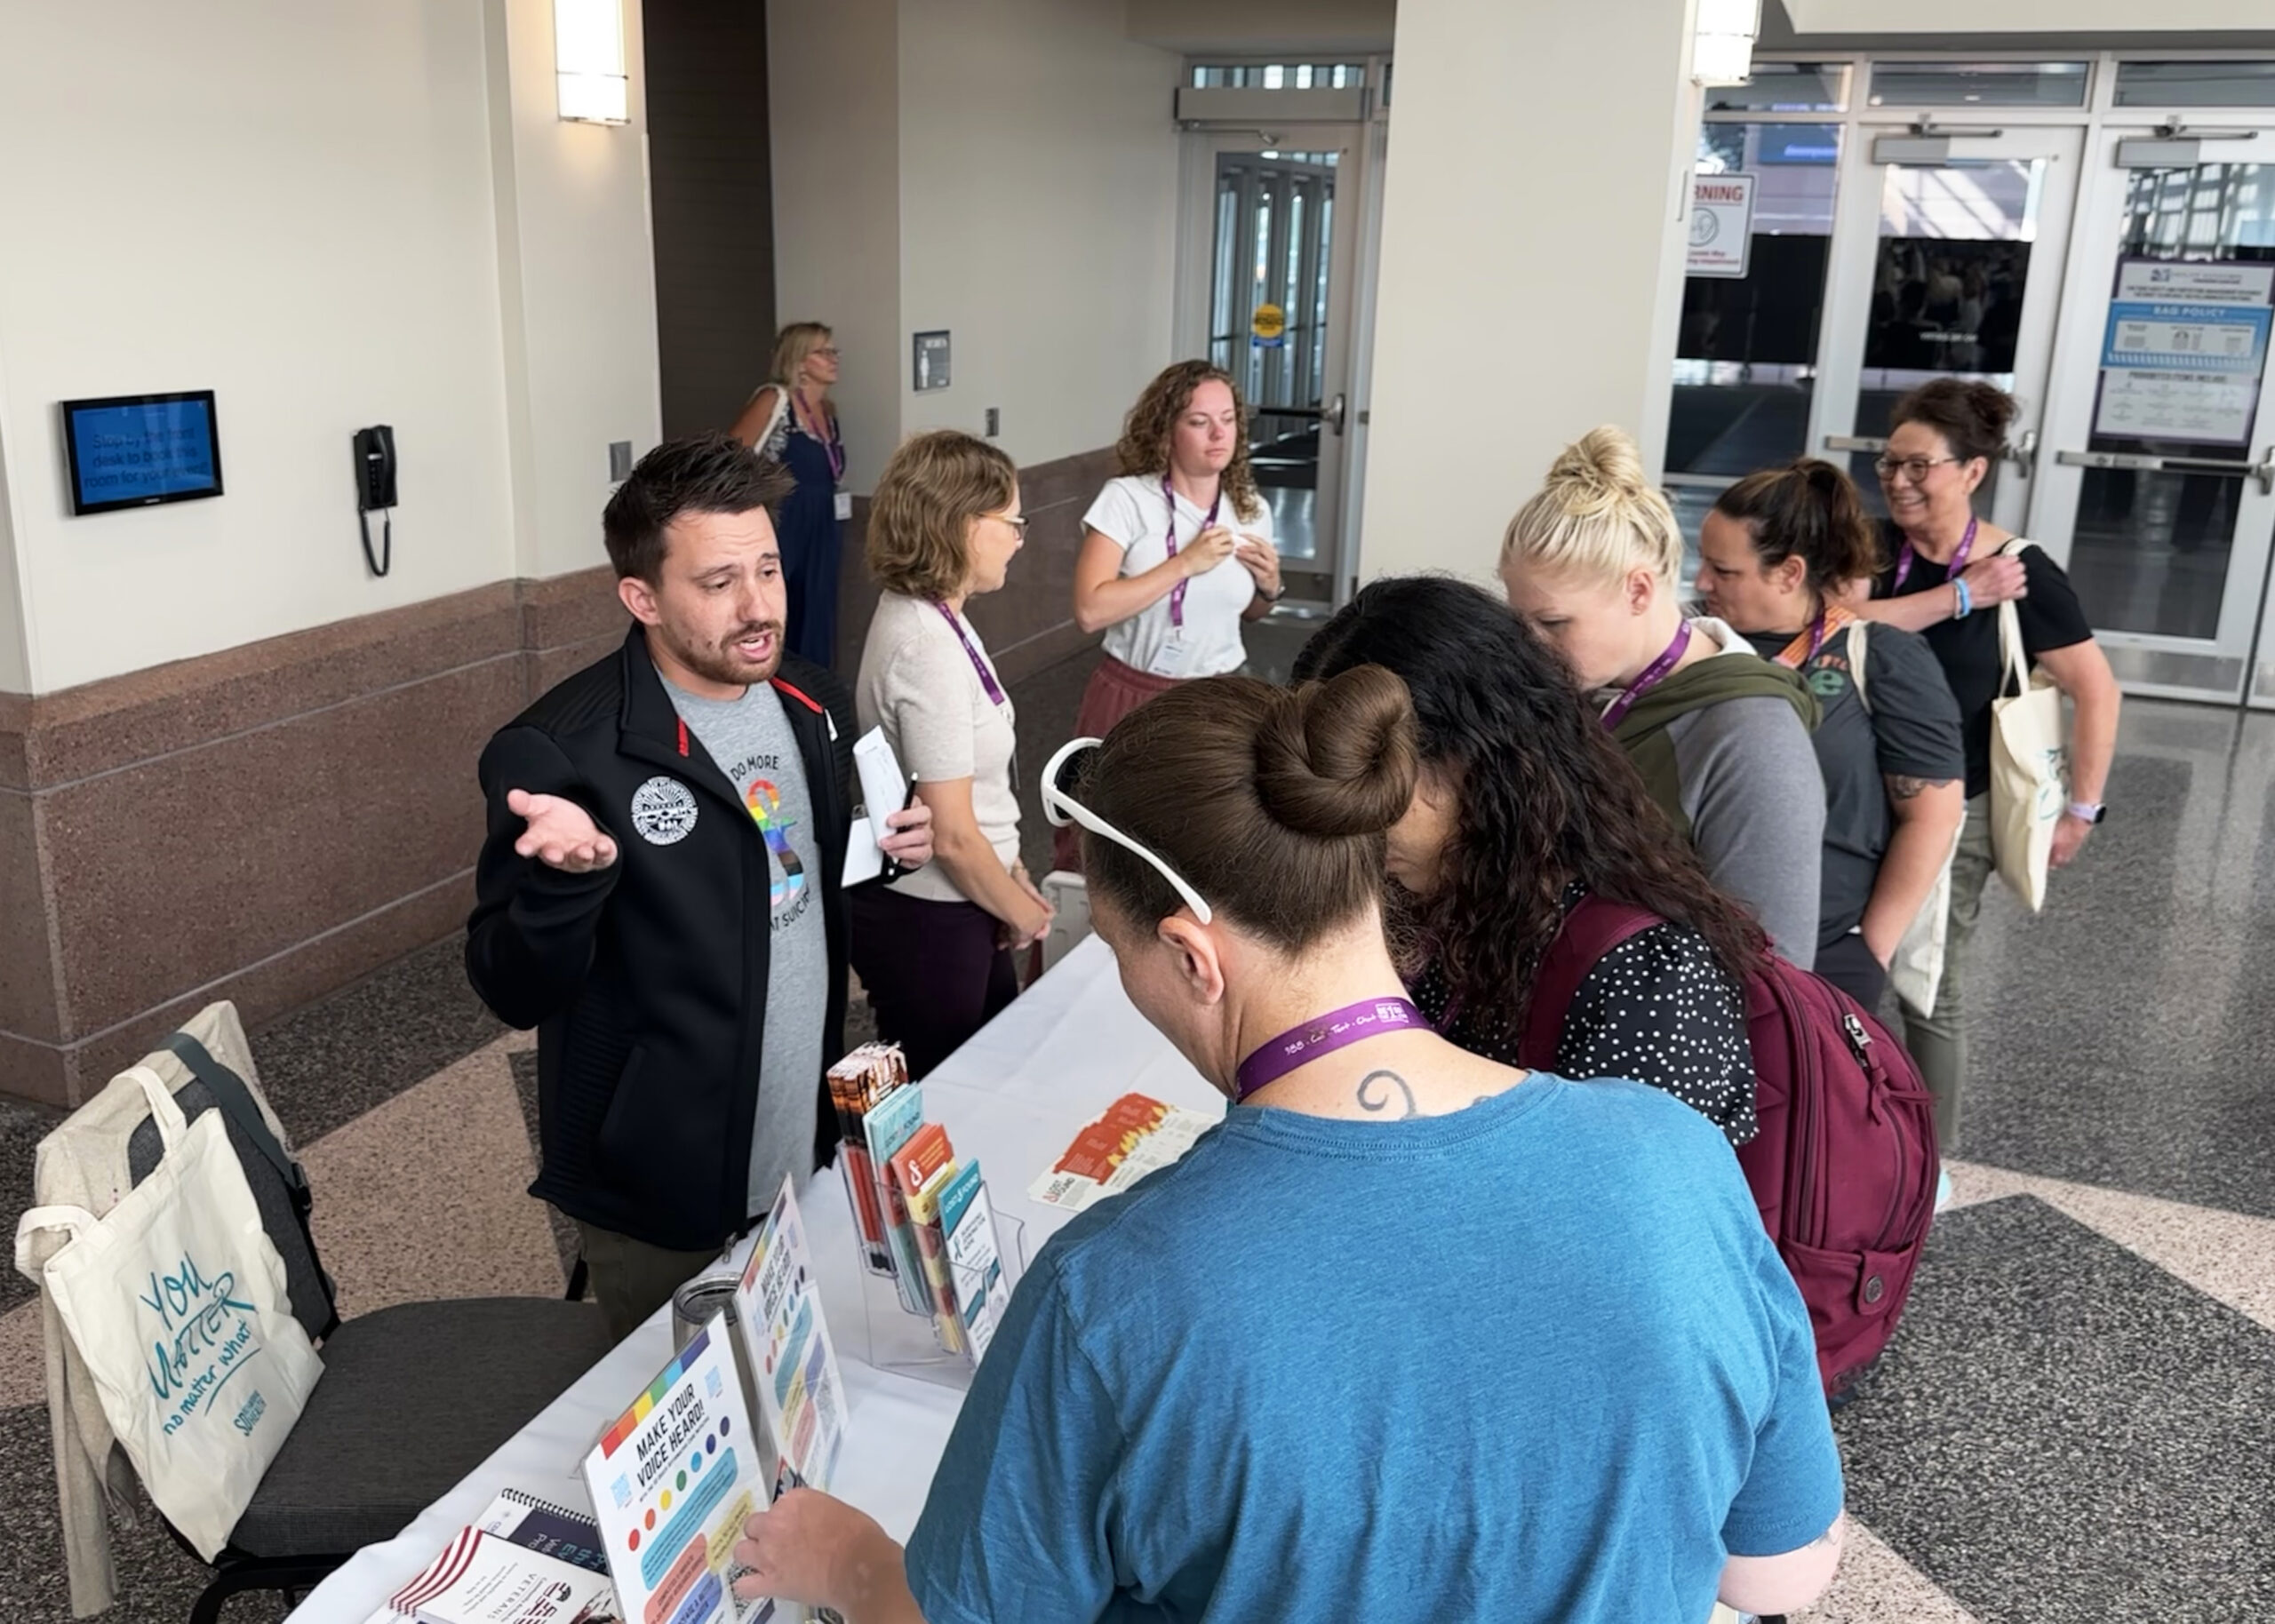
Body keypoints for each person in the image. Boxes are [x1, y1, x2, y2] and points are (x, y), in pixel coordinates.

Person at [730, 667, 1848, 1624]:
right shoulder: (1673, 1156)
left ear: (1191, 954)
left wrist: (847, 1558)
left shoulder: (1113, 1294)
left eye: (1122, 955)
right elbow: (1780, 1568)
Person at [466, 434, 933, 1340]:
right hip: (658, 1175)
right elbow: (509, 986)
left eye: (767, 568)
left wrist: (885, 846)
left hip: (801, 1132)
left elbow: (783, 873)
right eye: (718, 584)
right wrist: (570, 884)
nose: (758, 605)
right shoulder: (563, 750)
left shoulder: (811, 702)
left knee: (796, 1372)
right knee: (689, 1412)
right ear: (641, 596)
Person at [1294, 576, 1765, 1142]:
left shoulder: (1650, 974)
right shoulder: (1435, 903)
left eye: (1371, 780)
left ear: (1478, 759)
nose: (1352, 825)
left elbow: (1647, 1215)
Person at [1850, 378, 2122, 1149]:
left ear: (1972, 471)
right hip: (1856, 798)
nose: (1898, 482)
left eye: (1919, 467)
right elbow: (1833, 622)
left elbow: (2096, 690)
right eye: (1888, 464)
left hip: (1952, 809)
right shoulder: (1876, 550)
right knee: (1851, 963)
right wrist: (1960, 598)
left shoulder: (2022, 569)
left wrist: (2081, 809)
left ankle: (1928, 1164)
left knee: (1927, 981)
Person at [1501, 426, 1827, 970]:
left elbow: (1776, 973)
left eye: (1553, 623)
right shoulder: (1579, 686)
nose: (1529, 648)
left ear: (1639, 590)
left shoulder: (1754, 740)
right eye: (1520, 621)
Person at [1698, 459, 1967, 1007]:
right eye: (1703, 564)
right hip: (1697, 937)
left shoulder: (1881, 657)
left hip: (1826, 951)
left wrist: (1871, 948)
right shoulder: (1693, 645)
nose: (1702, 583)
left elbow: (1933, 812)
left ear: (1789, 573)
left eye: (1724, 572)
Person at [850, 430, 1052, 1079]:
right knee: (948, 1095)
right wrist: (1024, 911)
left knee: (990, 1074)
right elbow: (953, 834)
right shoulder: (925, 646)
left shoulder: (942, 616)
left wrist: (1011, 872)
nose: (1020, 538)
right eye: (1012, 522)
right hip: (931, 914)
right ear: (964, 526)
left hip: (968, 896)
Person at [1057, 360, 1285, 870]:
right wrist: (1184, 564)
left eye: (1227, 419)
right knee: (1106, 843)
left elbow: (1249, 612)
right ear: (1167, 430)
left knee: (1201, 850)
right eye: (1200, 421)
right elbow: (1090, 610)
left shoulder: (1250, 510)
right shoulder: (1128, 500)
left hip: (1216, 695)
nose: (1219, 433)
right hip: (1134, 692)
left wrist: (1271, 587)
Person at [730, 322, 846, 668]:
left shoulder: (829, 412)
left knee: (818, 607)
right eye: (822, 352)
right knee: (778, 608)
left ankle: (814, 693)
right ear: (798, 361)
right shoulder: (776, 400)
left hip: (825, 520)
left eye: (832, 351)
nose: (833, 359)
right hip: (784, 520)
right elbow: (730, 458)